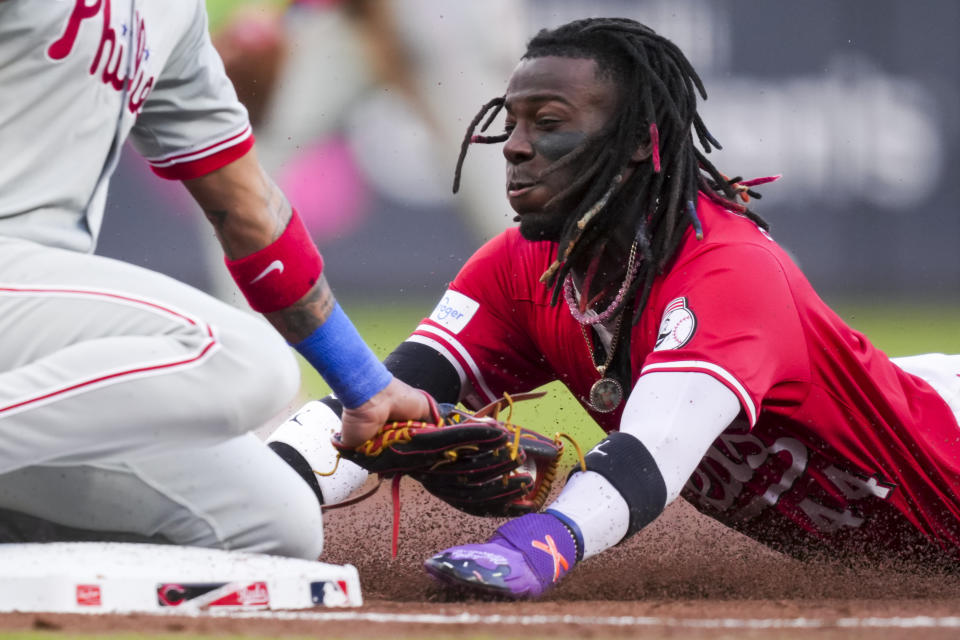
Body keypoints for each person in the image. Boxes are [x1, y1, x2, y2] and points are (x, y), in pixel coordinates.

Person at [284, 17, 960, 596]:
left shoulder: (727, 272)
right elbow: (378, 397)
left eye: (548, 123)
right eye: (510, 121)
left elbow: (649, 454)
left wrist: (535, 546)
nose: (515, 146)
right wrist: (267, 486)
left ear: (640, 139)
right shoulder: (517, 267)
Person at [0, 0, 427, 557]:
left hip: (28, 296)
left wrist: (366, 384)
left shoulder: (171, 11)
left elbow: (248, 206)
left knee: (272, 524)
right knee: (244, 360)